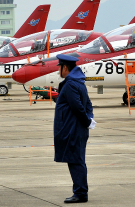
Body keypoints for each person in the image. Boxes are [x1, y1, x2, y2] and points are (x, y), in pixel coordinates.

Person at [54, 54, 96, 204]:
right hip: (77, 128)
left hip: (72, 129)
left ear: (65, 68)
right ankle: (80, 191)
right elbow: (88, 104)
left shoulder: (71, 84)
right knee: (77, 160)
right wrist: (89, 119)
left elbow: (78, 107)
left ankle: (80, 193)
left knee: (75, 160)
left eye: (59, 67)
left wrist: (86, 121)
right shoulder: (78, 82)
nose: (59, 70)